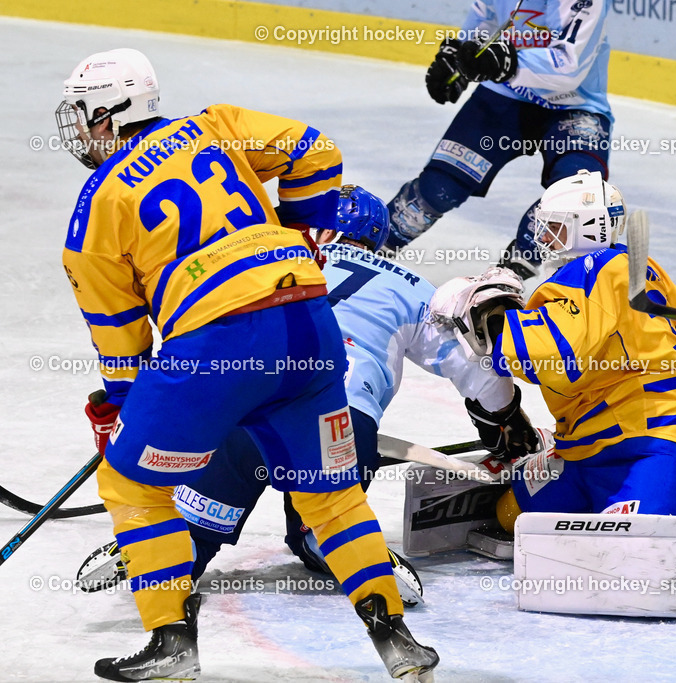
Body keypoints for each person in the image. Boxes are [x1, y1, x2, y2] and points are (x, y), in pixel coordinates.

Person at [57, 49, 437, 681]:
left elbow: (121, 341)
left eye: (82, 116)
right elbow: (316, 151)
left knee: (132, 485)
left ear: (109, 115)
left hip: (219, 342)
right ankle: (397, 639)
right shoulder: (215, 126)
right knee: (331, 496)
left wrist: (121, 412)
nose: (78, 131)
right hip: (308, 322)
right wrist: (299, 234)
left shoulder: (94, 208)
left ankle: (171, 643)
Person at [77, 187, 543, 608]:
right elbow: (478, 372)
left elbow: (198, 330)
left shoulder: (267, 259)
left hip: (246, 407)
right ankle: (340, 548)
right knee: (324, 526)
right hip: (340, 419)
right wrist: (504, 426)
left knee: (196, 526)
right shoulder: (413, 289)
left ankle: (168, 544)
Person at [431, 170, 676, 530]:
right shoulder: (638, 266)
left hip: (659, 437)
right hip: (594, 439)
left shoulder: (589, 273)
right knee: (511, 515)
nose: (545, 238)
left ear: (588, 227)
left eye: (555, 227)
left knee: (631, 544)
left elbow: (555, 357)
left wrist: (492, 319)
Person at [385, 0, 614, 278]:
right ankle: (365, 250)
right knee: (439, 187)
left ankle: (511, 274)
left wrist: (504, 64)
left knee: (577, 194)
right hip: (504, 93)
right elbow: (487, 17)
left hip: (575, 106)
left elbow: (569, 67)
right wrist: (460, 57)